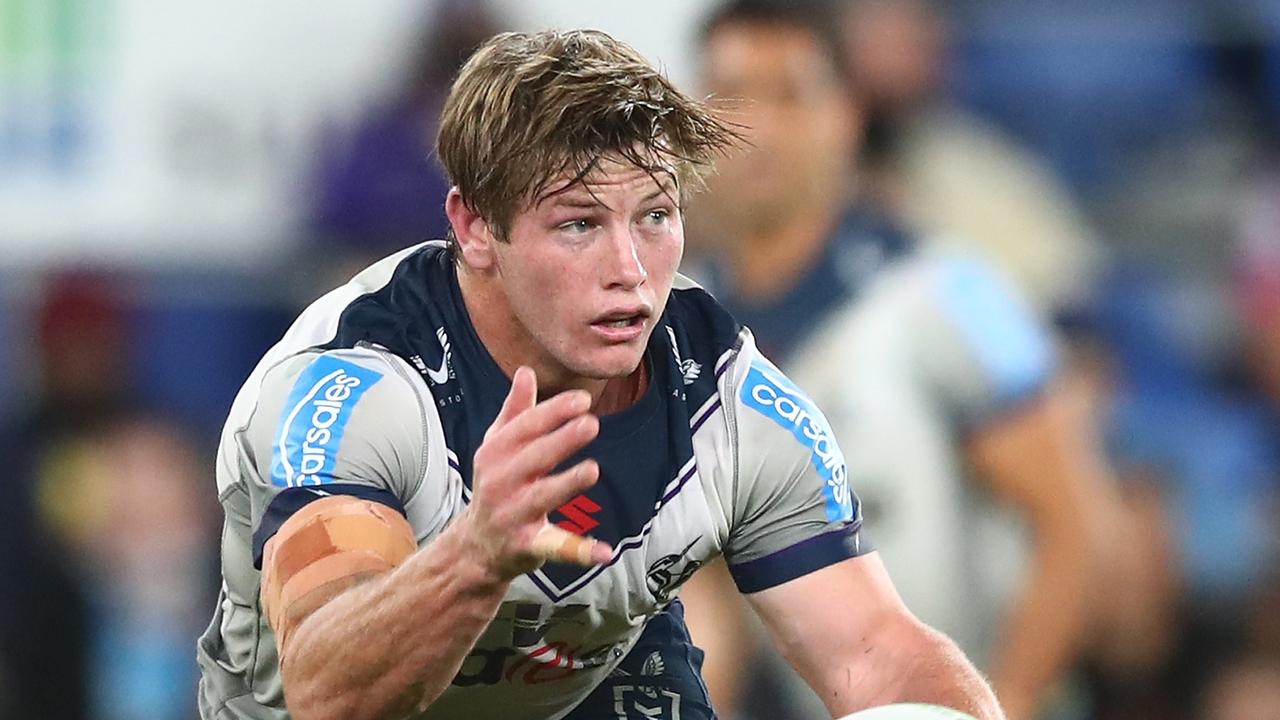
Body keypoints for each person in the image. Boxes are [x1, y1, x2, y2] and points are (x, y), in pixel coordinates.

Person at [195, 28, 1003, 720]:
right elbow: (327, 692)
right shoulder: (356, 391)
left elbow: (876, 651)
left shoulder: (729, 400)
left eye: (655, 216)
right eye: (579, 224)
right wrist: (476, 558)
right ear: (475, 227)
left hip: (583, 678)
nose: (631, 270)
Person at [681, 3, 1119, 719]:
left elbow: (1076, 524)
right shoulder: (681, 327)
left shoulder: (949, 292)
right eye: (730, 96)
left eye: (788, 94)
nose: (756, 125)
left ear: (845, 115)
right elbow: (705, 597)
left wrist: (1002, 703)